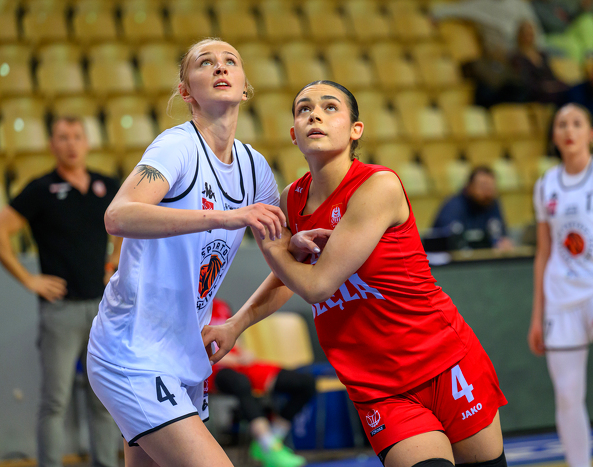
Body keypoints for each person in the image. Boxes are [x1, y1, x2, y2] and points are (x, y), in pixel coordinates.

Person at [203, 80, 509, 467]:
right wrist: (235, 324)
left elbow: (316, 285)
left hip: (443, 360)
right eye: (303, 109)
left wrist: (272, 243)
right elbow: (289, 276)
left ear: (355, 130)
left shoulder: (378, 186)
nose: (314, 115)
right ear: (294, 135)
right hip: (378, 386)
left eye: (330, 107)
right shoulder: (290, 201)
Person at [85, 38, 301, 467]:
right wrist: (225, 217)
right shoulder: (177, 146)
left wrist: (237, 324)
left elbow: (289, 269)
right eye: (205, 62)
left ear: (245, 87)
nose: (220, 67)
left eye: (230, 61)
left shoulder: (255, 168)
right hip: (133, 350)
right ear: (186, 91)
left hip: (186, 355)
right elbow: (118, 215)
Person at [0, 116, 121, 467]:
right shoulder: (41, 190)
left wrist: (115, 260)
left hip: (102, 309)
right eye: (63, 137)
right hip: (60, 311)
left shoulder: (107, 185)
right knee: (55, 401)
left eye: (77, 136)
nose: (71, 144)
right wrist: (29, 280)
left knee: (104, 399)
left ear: (87, 142)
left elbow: (128, 225)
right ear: (52, 145)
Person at [528, 103, 593, 467]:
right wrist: (537, 316)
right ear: (554, 136)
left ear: (591, 133)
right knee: (568, 397)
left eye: (576, 123)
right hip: (561, 301)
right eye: (561, 124)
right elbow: (543, 253)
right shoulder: (545, 185)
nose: (569, 130)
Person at [207, 299, 315, 467]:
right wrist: (232, 359)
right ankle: (267, 445)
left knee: (305, 383)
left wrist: (244, 353)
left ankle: (271, 442)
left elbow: (234, 337)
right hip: (213, 367)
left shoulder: (221, 306)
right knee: (241, 383)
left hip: (241, 364)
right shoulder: (190, 305)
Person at [430, 166, 514, 251]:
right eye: (483, 187)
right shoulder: (453, 206)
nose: (487, 193)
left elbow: (500, 235)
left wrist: (503, 243)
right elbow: (445, 240)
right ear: (469, 187)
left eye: (491, 188)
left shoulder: (491, 203)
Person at [430, 0, 545, 56]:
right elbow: (457, 10)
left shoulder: (519, 4)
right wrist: (436, 14)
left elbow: (535, 28)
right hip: (503, 56)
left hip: (525, 54)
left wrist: (540, 51)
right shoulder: (481, 4)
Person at [511, 20, 569, 104]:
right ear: (520, 36)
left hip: (551, 88)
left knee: (569, 89)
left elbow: (552, 74)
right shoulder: (517, 57)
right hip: (536, 93)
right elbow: (527, 82)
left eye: (531, 34)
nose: (529, 37)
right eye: (526, 34)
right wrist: (545, 87)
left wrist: (554, 84)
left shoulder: (542, 54)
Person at [531, 0, 593, 64]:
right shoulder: (537, 6)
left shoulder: (557, 3)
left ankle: (590, 57)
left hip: (567, 33)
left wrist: (583, 7)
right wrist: (569, 24)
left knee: (588, 19)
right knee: (574, 48)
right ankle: (586, 64)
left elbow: (572, 17)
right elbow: (554, 27)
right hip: (551, 37)